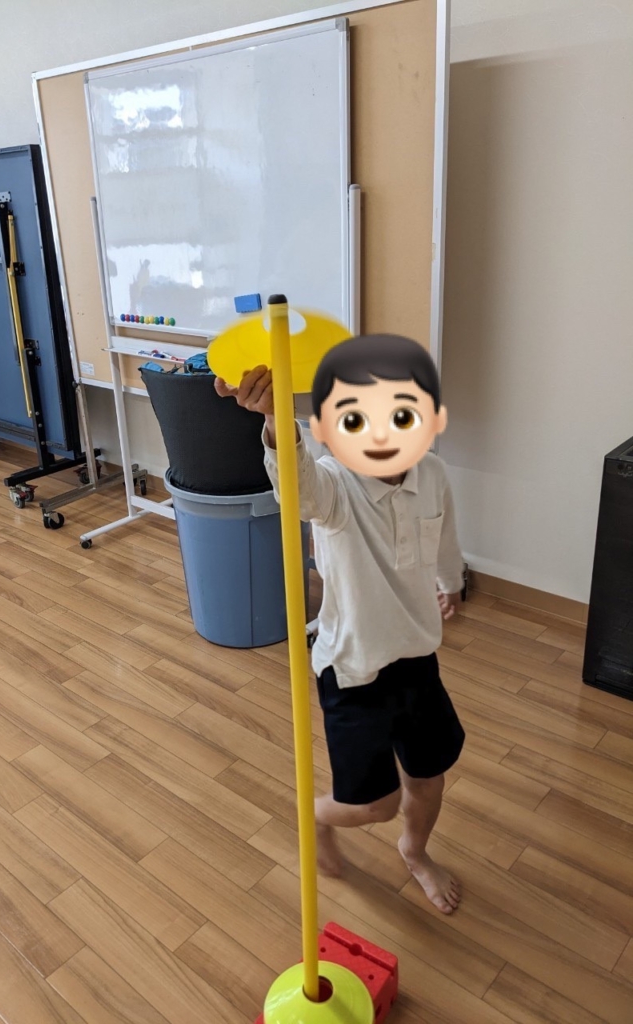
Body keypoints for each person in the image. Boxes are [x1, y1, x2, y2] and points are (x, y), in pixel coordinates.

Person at [216, 334, 466, 914]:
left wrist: (448, 581)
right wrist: (276, 420)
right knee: (375, 804)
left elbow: (444, 535)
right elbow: (297, 487)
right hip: (353, 669)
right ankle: (317, 816)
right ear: (328, 430)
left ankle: (415, 851)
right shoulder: (332, 486)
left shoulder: (433, 473)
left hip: (417, 659)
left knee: (429, 778)